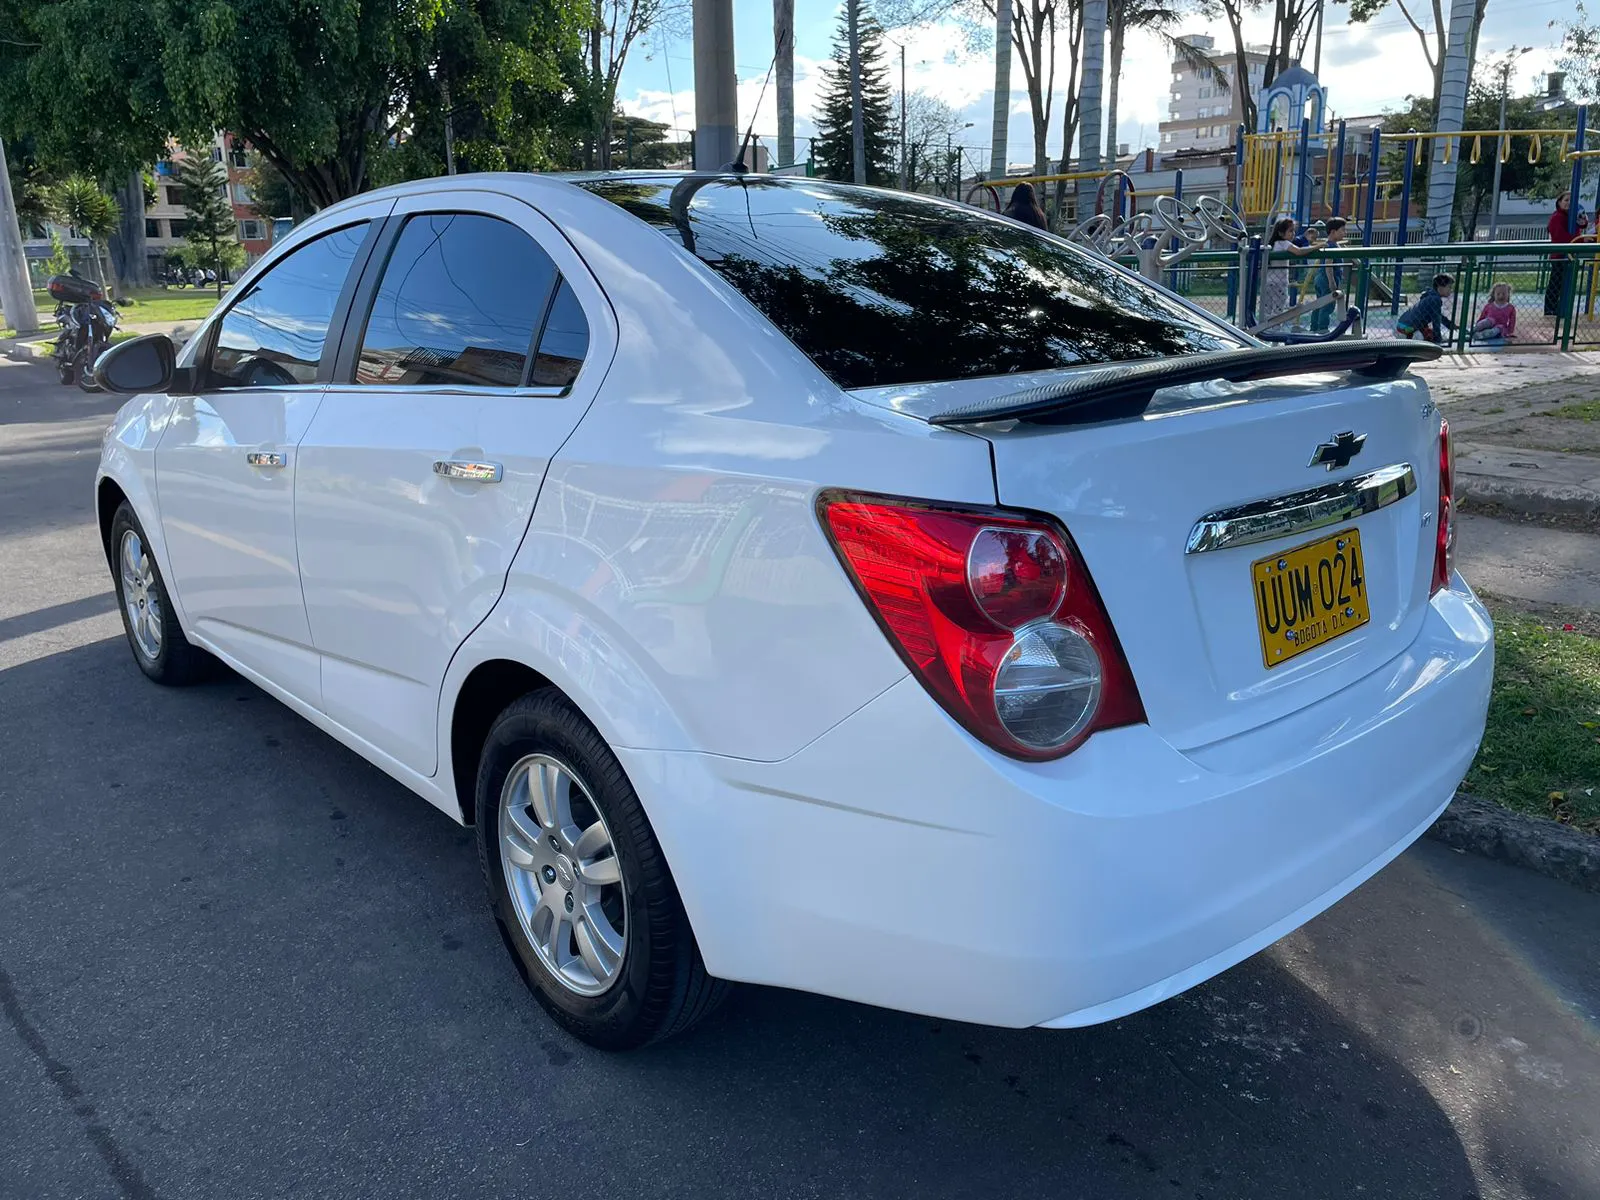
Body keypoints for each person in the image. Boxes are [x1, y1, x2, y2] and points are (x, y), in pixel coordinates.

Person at [1259, 216, 1321, 325]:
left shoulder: (1273, 244)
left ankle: (1263, 331)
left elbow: (1298, 243)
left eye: (1294, 231)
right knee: (1279, 312)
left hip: (1268, 282)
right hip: (1280, 283)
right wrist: (1318, 247)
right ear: (1281, 233)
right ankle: (1275, 335)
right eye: (1290, 231)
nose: (1293, 234)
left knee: (1267, 311)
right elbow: (1299, 251)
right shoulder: (1284, 243)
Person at [1544, 192, 1590, 316]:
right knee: (1556, 282)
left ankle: (1559, 307)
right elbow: (1560, 237)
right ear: (1559, 202)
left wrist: (1582, 218)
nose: (1569, 203)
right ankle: (1550, 308)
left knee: (1566, 282)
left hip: (1569, 254)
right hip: (1559, 255)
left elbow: (1582, 223)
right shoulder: (1557, 217)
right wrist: (1580, 239)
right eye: (1566, 200)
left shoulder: (1571, 216)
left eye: (1571, 200)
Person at [1309, 217, 1348, 332]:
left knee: (1319, 304)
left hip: (1320, 278)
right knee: (1327, 305)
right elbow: (1328, 263)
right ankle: (1323, 328)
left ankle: (1314, 327)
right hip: (1327, 279)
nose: (1345, 233)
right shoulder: (1331, 246)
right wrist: (1331, 281)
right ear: (1333, 232)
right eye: (1342, 230)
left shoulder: (1329, 244)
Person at [1396, 273, 1456, 343]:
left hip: (1401, 325)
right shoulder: (1435, 299)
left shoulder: (1429, 295)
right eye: (1449, 287)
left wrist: (1449, 325)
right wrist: (1437, 339)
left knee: (1427, 329)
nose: (1451, 290)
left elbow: (1439, 316)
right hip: (1407, 328)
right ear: (1440, 287)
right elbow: (1436, 321)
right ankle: (1413, 340)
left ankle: (1412, 337)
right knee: (1430, 337)